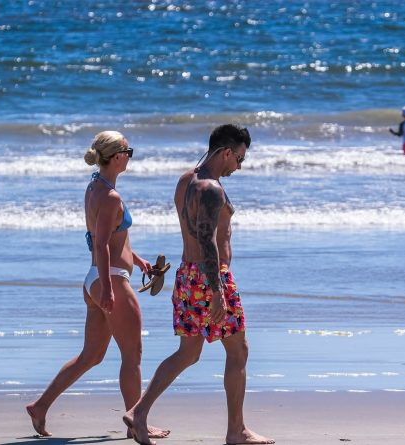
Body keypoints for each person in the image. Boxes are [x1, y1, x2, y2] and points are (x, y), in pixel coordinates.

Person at [123, 124, 274, 445]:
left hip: (187, 276)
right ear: (226, 152)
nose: (240, 166)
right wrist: (217, 290)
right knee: (238, 350)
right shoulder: (211, 189)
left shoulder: (185, 180)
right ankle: (237, 431)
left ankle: (138, 412)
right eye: (240, 159)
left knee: (188, 353)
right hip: (210, 278)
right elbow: (207, 239)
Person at [25, 131, 169, 440]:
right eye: (128, 150)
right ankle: (137, 421)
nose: (130, 156)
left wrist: (139, 261)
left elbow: (111, 238)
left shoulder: (96, 186)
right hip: (111, 279)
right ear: (117, 156)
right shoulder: (110, 195)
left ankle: (40, 406)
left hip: (97, 278)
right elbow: (102, 244)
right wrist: (107, 288)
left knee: (91, 355)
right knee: (133, 356)